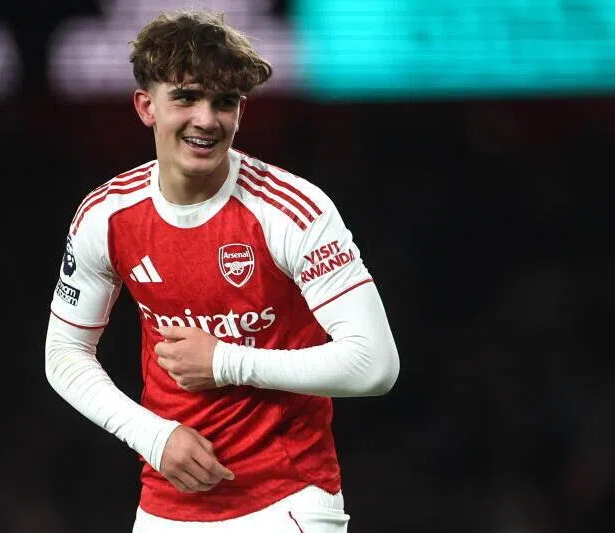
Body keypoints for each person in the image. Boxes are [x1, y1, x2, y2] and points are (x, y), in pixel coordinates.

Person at [45, 10, 400, 533]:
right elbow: (64, 355)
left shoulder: (291, 210)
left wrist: (227, 361)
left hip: (287, 500)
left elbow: (375, 365)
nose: (207, 119)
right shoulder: (106, 216)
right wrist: (154, 437)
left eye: (224, 101)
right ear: (146, 106)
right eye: (187, 97)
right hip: (166, 506)